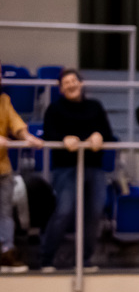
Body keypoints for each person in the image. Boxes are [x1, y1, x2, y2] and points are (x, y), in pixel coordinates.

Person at [36, 68, 114, 271]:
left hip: (94, 167)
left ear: (81, 83)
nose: (71, 85)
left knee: (95, 212)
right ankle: (46, 258)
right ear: (61, 89)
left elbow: (108, 133)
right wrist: (64, 139)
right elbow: (49, 134)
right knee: (64, 210)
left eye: (73, 81)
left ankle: (84, 260)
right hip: (66, 168)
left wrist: (99, 136)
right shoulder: (54, 109)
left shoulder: (95, 106)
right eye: (66, 83)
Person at [0, 70, 44, 270]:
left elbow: (15, 122)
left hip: (3, 168)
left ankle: (6, 253)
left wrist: (27, 136)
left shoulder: (4, 100)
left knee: (5, 213)